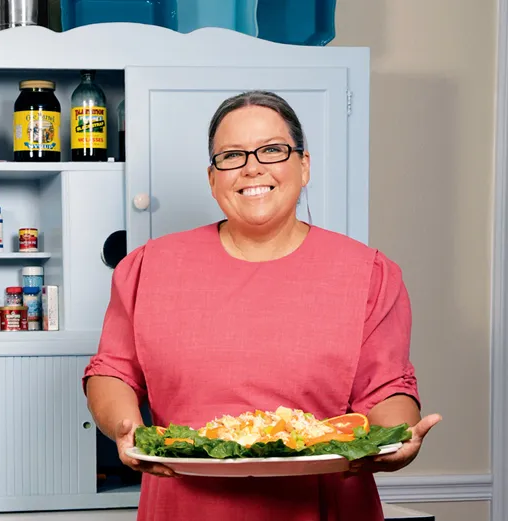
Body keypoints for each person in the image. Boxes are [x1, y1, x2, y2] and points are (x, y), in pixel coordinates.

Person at [82, 90, 442, 521]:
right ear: (213, 178)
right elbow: (112, 371)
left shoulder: (369, 273)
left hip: (323, 504)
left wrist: (394, 440)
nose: (253, 167)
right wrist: (128, 429)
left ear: (304, 166)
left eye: (272, 150)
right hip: (185, 505)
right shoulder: (147, 267)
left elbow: (386, 390)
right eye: (231, 155)